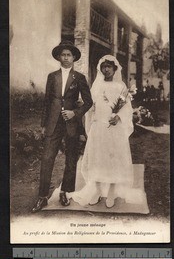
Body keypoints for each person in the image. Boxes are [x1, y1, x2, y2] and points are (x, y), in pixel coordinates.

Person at [69, 55, 144, 208]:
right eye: (104, 66)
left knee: (113, 160)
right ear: (100, 69)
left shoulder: (121, 86)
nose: (106, 69)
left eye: (109, 66)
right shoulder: (96, 86)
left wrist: (118, 117)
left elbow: (127, 108)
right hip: (99, 128)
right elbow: (90, 105)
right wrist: (83, 106)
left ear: (115, 68)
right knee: (98, 159)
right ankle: (96, 190)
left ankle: (111, 192)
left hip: (114, 129)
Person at [32, 41, 93, 212]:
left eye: (69, 55)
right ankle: (42, 197)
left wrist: (75, 112)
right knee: (47, 158)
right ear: (59, 57)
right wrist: (44, 124)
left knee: (71, 159)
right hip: (53, 123)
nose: (65, 58)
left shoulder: (79, 78)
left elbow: (88, 102)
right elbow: (47, 101)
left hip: (71, 123)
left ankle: (65, 192)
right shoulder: (52, 76)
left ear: (74, 58)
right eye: (63, 55)